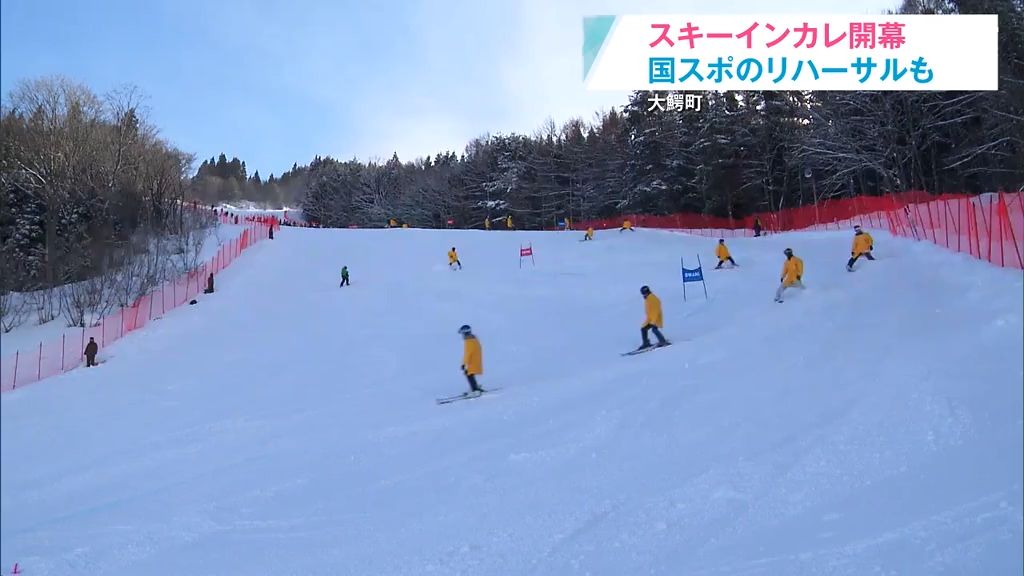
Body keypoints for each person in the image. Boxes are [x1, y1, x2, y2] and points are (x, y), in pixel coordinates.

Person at [459, 325, 484, 394]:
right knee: (470, 374)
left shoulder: (469, 341)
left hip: (471, 360)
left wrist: (464, 363)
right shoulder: (473, 339)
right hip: (475, 359)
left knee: (469, 374)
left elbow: (468, 353)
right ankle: (475, 387)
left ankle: (475, 389)